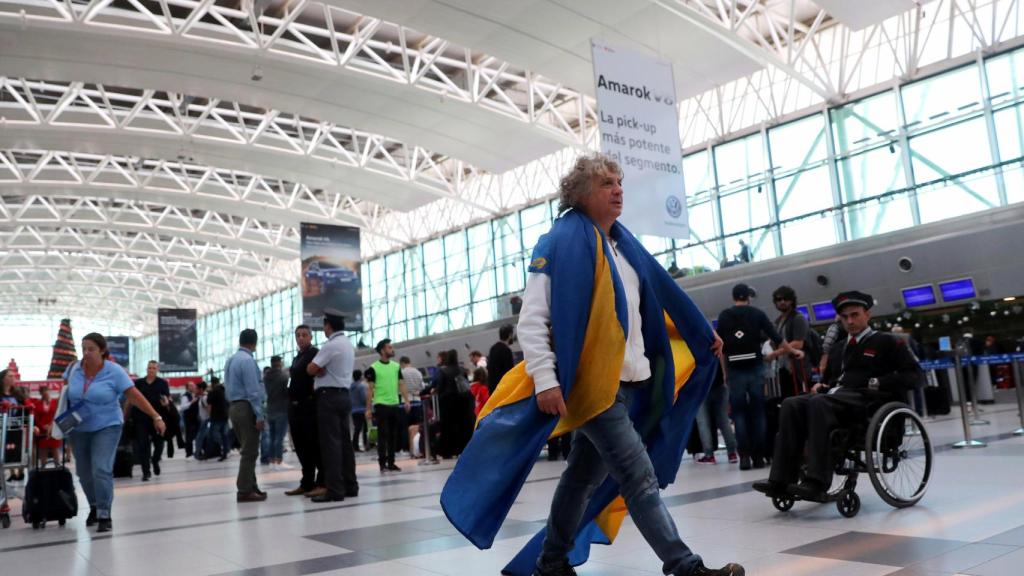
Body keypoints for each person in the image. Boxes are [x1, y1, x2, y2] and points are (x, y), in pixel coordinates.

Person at [440, 154, 742, 576]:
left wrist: (696, 331)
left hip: (631, 382)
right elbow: (533, 320)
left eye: (619, 182)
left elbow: (650, 309)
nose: (619, 189)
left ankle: (551, 561)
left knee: (582, 477)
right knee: (638, 476)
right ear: (581, 194)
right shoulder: (561, 241)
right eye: (606, 183)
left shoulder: (624, 245)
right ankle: (684, 565)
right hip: (594, 387)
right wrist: (545, 380)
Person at [754, 291, 923, 501]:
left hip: (868, 402)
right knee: (791, 404)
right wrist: (822, 385)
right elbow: (832, 381)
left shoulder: (887, 342)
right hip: (836, 399)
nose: (850, 321)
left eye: (855, 315)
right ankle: (780, 480)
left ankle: (817, 481)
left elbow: (914, 375)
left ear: (867, 315)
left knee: (818, 403)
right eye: (845, 317)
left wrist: (879, 382)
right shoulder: (838, 348)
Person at [65, 333, 166, 532]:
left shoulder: (114, 371)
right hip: (78, 427)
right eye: (83, 348)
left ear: (102, 350)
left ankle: (104, 512)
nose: (86, 353)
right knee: (84, 472)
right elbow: (65, 395)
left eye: (91, 349)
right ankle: (93, 506)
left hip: (107, 425)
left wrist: (156, 416)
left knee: (101, 468)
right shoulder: (73, 369)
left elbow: (134, 395)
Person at [716, 283, 801, 470]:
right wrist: (793, 351)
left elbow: (719, 346)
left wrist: (724, 372)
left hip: (735, 369)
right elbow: (777, 338)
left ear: (733, 297)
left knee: (738, 413)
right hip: (755, 367)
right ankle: (759, 457)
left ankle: (744, 457)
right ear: (748, 297)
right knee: (758, 412)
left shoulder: (724, 316)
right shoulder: (757, 314)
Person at [306, 309, 358, 502]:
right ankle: (351, 485)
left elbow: (311, 368)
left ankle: (335, 489)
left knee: (331, 445)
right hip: (344, 396)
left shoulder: (331, 345)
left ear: (328, 326)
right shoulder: (347, 344)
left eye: (324, 326)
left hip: (328, 398)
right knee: (345, 443)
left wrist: (319, 368)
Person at [225, 328, 266, 502]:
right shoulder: (248, 361)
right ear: (254, 343)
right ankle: (244, 490)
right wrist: (259, 415)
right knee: (250, 452)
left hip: (234, 407)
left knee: (247, 448)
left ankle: (252, 485)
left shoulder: (231, 360)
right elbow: (253, 391)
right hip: (246, 407)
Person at [286, 325, 325, 497]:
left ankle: (321, 481)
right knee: (300, 446)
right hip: (294, 407)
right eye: (298, 335)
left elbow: (321, 372)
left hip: (308, 406)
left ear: (310, 337)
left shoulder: (315, 353)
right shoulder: (297, 358)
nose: (300, 338)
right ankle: (306, 481)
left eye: (304, 335)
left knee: (313, 445)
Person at [366, 339, 410, 472]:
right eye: (389, 348)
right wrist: (368, 408)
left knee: (393, 435)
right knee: (383, 435)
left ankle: (391, 462)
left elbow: (401, 383)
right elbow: (370, 389)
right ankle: (382, 463)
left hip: (394, 404)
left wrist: (406, 400)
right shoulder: (373, 368)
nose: (392, 350)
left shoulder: (396, 366)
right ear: (382, 351)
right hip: (380, 404)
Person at [131, 360, 170, 481]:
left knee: (159, 443)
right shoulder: (139, 383)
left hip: (157, 418)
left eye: (153, 368)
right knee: (143, 445)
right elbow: (132, 399)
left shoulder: (162, 383)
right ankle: (146, 471)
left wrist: (166, 402)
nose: (151, 370)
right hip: (141, 418)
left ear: (157, 370)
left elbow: (166, 398)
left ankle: (155, 460)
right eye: (149, 368)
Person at [433, 350, 475, 459]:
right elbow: (466, 386)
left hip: (447, 403)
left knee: (448, 427)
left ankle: (448, 451)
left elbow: (440, 387)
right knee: (462, 426)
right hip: (462, 402)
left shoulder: (443, 371)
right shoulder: (462, 370)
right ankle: (462, 449)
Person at [693, 365, 737, 465]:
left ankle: (709, 455)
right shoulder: (717, 348)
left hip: (701, 386)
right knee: (723, 420)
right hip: (719, 382)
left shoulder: (694, 348)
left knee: (703, 422)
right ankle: (732, 453)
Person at [771, 285, 809, 398]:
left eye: (785, 299)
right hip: (783, 367)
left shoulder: (798, 318)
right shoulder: (778, 321)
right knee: (787, 400)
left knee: (799, 399)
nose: (782, 302)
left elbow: (798, 343)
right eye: (778, 299)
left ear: (792, 300)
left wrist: (775, 353)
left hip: (797, 367)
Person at [260, 356, 290, 469]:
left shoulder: (266, 377)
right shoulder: (284, 376)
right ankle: (279, 460)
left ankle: (271, 460)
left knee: (272, 436)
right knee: (279, 437)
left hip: (270, 409)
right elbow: (289, 389)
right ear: (279, 363)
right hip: (282, 408)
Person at [400, 356, 425, 458]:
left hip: (406, 401)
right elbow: (422, 386)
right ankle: (416, 447)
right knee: (416, 426)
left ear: (402, 363)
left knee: (405, 426)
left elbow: (400, 386)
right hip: (417, 400)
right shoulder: (418, 372)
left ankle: (406, 448)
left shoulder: (402, 372)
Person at [32, 386, 62, 466]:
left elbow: (58, 414)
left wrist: (52, 424)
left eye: (47, 391)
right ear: (41, 393)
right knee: (43, 449)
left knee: (55, 447)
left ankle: (57, 465)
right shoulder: (37, 404)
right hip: (42, 430)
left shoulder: (55, 402)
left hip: (54, 428)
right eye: (43, 392)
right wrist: (42, 426)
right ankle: (43, 466)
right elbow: (36, 417)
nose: (46, 393)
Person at [204, 378, 231, 461]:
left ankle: (221, 447)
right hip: (225, 415)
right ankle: (225, 452)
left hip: (216, 417)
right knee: (224, 434)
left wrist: (209, 392)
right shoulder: (225, 390)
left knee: (213, 434)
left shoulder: (214, 391)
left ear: (212, 383)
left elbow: (209, 401)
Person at [486, 324, 516, 393]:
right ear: (510, 335)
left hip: (493, 389)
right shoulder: (506, 350)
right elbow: (509, 372)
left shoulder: (493, 348)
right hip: (503, 389)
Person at [350, 370, 369, 451]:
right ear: (360, 376)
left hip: (353, 410)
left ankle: (355, 445)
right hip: (362, 410)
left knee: (357, 428)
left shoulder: (350, 386)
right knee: (365, 428)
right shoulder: (361, 386)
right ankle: (366, 444)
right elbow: (364, 398)